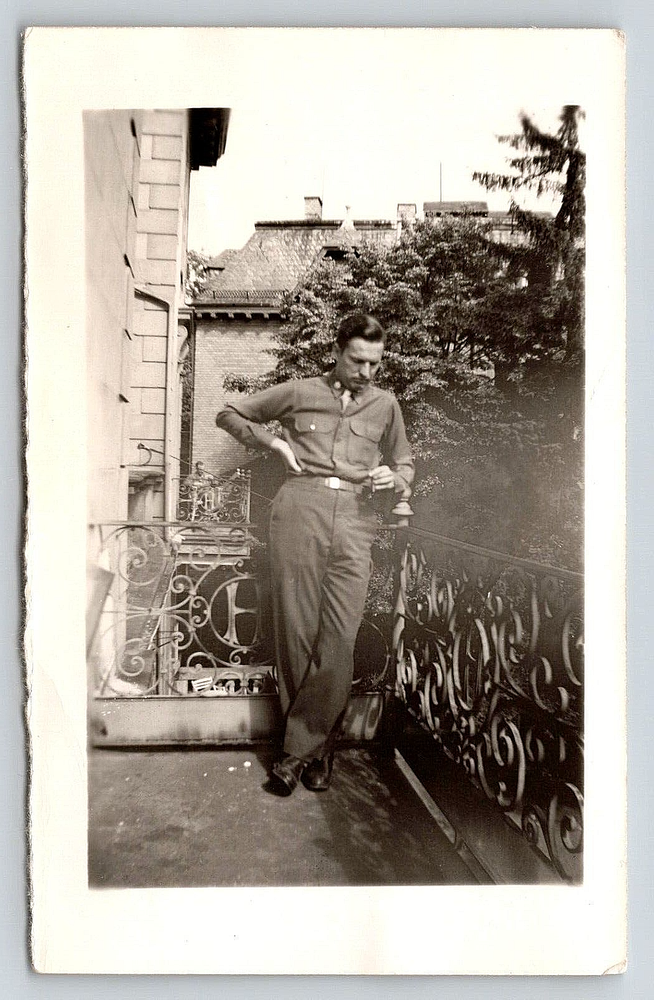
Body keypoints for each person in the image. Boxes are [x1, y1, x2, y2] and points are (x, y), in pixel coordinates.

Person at [215, 312, 414, 794]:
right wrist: (274, 443)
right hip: (299, 510)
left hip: (356, 520)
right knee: (296, 631)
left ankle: (297, 752)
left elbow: (405, 462)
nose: (367, 371)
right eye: (357, 360)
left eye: (375, 363)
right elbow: (229, 413)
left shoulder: (386, 405)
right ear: (337, 351)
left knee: (340, 636)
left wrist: (395, 477)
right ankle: (317, 754)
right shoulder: (300, 392)